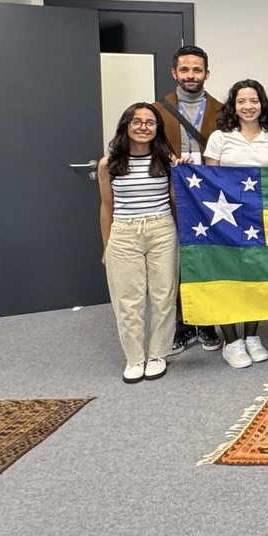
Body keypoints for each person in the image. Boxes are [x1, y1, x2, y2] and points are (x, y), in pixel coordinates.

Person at [204, 79, 268, 368]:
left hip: (258, 219)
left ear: (262, 104)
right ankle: (231, 341)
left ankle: (252, 335)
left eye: (254, 100)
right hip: (224, 219)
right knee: (226, 276)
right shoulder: (219, 138)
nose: (248, 106)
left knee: (255, 276)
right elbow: (209, 181)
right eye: (241, 101)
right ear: (233, 105)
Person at [97, 103, 179, 384]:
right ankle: (134, 358)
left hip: (162, 230)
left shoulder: (166, 160)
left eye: (150, 122)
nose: (143, 127)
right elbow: (106, 207)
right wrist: (106, 246)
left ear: (157, 128)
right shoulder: (108, 164)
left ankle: (157, 354)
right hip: (124, 233)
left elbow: (174, 201)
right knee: (128, 300)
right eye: (137, 121)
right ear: (126, 126)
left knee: (163, 296)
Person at [155, 45, 223, 355]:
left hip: (210, 196)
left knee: (206, 255)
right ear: (174, 72)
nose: (191, 75)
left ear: (207, 73)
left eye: (197, 70)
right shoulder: (157, 110)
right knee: (177, 259)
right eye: (185, 69)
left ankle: (206, 322)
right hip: (171, 193)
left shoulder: (223, 110)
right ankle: (182, 324)